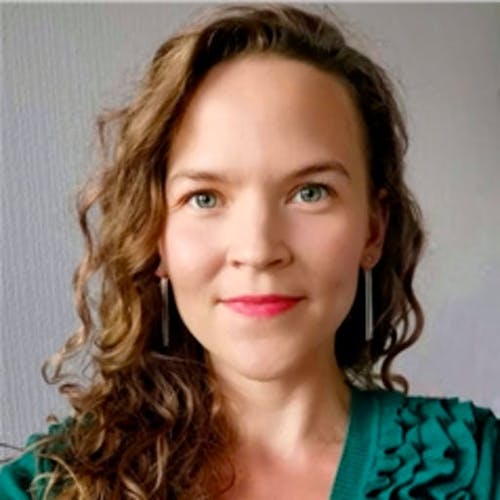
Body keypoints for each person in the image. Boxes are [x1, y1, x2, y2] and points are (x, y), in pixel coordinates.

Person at [1, 4, 498, 499]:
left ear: (373, 229)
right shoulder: (45, 486)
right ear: (155, 236)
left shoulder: (479, 468)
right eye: (205, 198)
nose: (258, 251)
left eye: (310, 192)